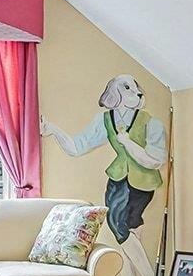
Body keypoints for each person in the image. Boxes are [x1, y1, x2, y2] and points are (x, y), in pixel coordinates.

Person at [41, 74, 166, 243]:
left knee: (125, 224)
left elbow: (155, 160)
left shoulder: (150, 122)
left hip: (143, 182)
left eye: (136, 87)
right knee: (118, 224)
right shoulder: (105, 120)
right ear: (114, 93)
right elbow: (77, 147)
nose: (136, 92)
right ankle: (136, 261)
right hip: (117, 179)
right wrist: (53, 130)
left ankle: (139, 260)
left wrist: (128, 143)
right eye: (127, 87)